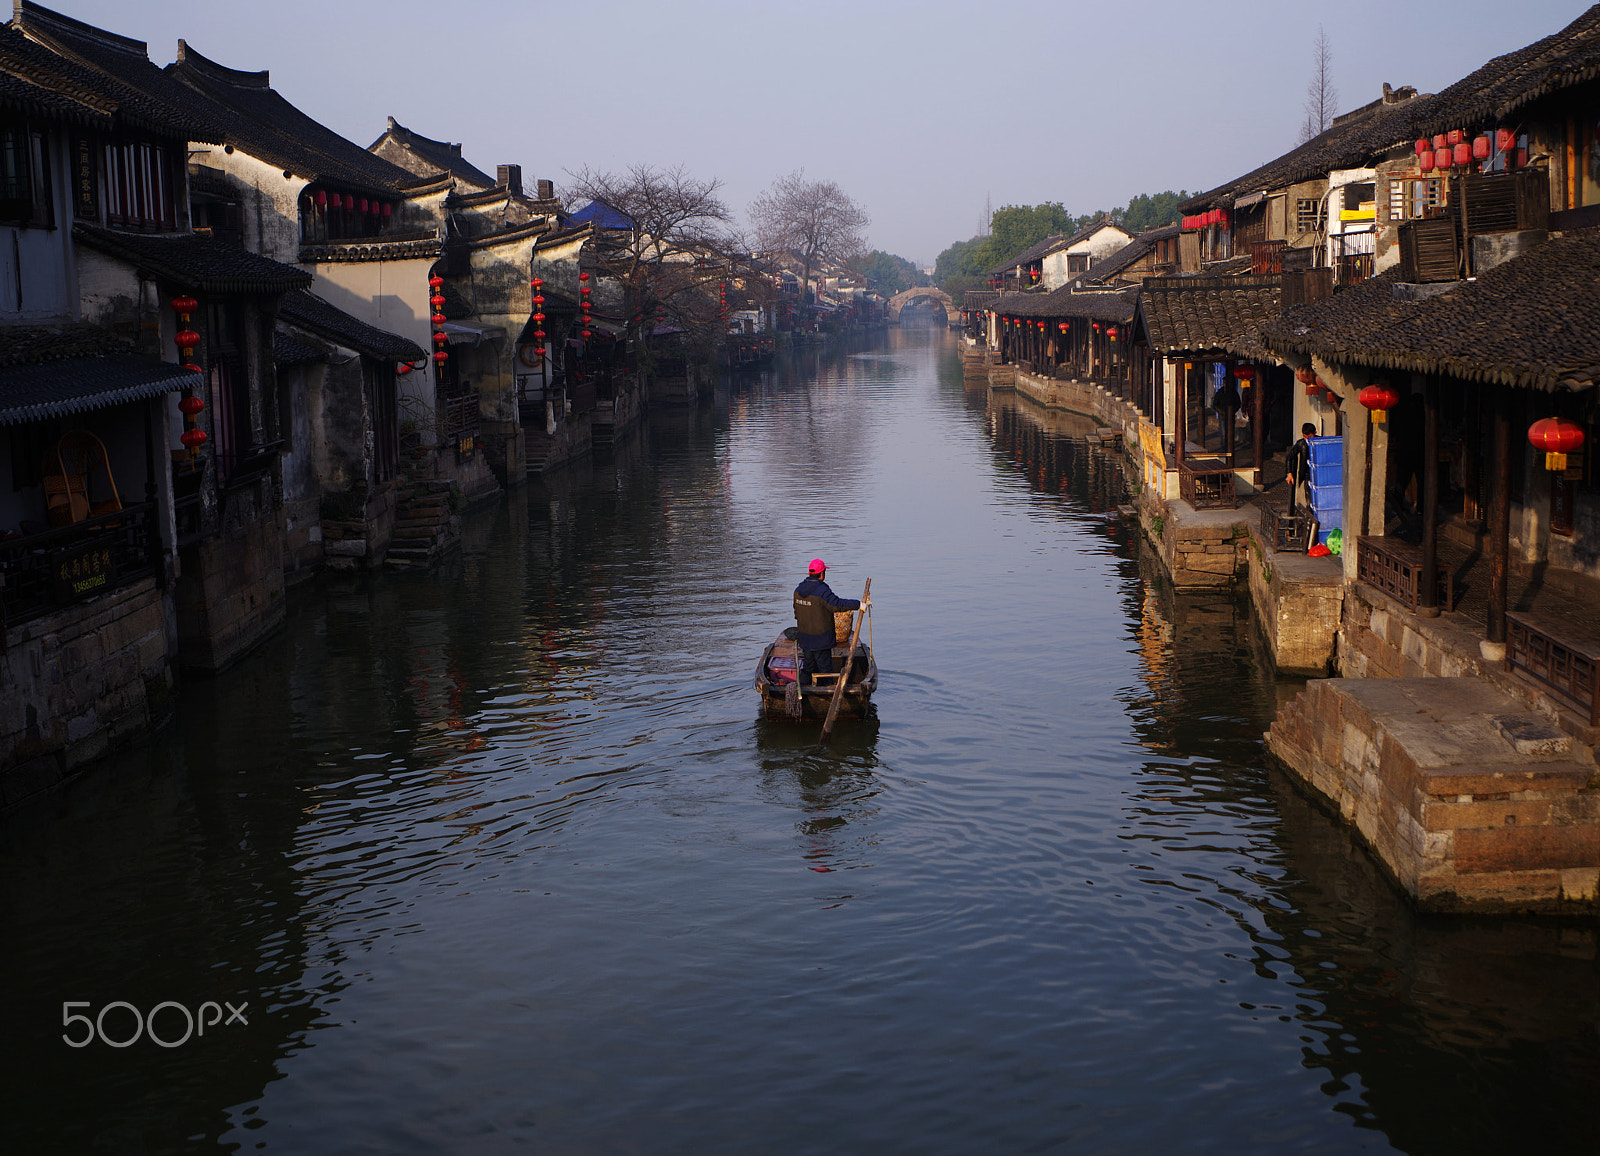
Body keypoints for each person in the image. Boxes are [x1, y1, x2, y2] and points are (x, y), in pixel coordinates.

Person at [792, 559, 863, 687]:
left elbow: (796, 614)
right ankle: (825, 694)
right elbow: (837, 604)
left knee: (808, 668)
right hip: (821, 640)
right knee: (825, 670)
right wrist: (858, 604)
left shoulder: (798, 590)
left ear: (809, 573)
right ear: (822, 574)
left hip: (805, 639)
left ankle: (802, 692)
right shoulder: (822, 591)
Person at [1286, 422, 1317, 514]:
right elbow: (1289, 457)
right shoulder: (1301, 444)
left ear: (1314, 433)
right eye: (1305, 436)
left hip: (1317, 473)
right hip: (1307, 474)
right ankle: (1309, 516)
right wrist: (1289, 473)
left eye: (1309, 436)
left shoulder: (1319, 441)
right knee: (1309, 498)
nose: (1307, 439)